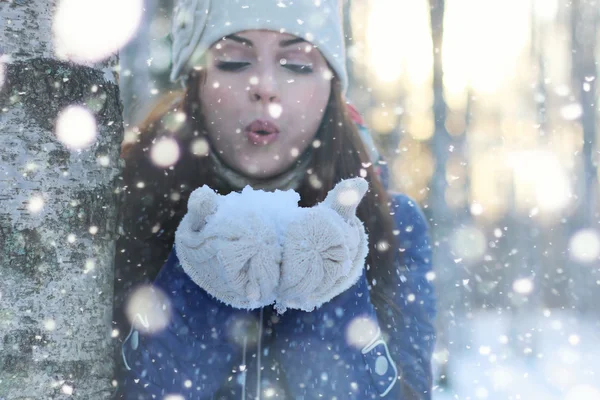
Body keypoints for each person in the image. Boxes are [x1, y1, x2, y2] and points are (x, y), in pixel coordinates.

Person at [113, 0, 436, 398]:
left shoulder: (393, 223)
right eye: (233, 60)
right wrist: (198, 288)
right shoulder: (127, 205)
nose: (264, 87)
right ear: (195, 79)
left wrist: (329, 297)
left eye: (297, 64)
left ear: (331, 85)